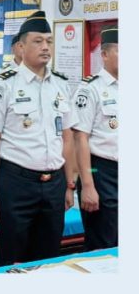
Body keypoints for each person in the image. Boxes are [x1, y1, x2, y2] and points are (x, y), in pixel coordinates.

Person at [0, 10, 76, 268]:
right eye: (38, 41)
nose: (45, 47)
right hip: (16, 184)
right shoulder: (4, 84)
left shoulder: (61, 84)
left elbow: (67, 137)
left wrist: (69, 184)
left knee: (49, 258)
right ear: (21, 47)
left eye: (49, 41)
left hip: (54, 183)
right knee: (12, 260)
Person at [73, 25, 118, 250]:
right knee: (103, 245)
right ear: (104, 55)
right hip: (102, 172)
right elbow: (80, 138)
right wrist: (88, 186)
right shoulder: (90, 89)